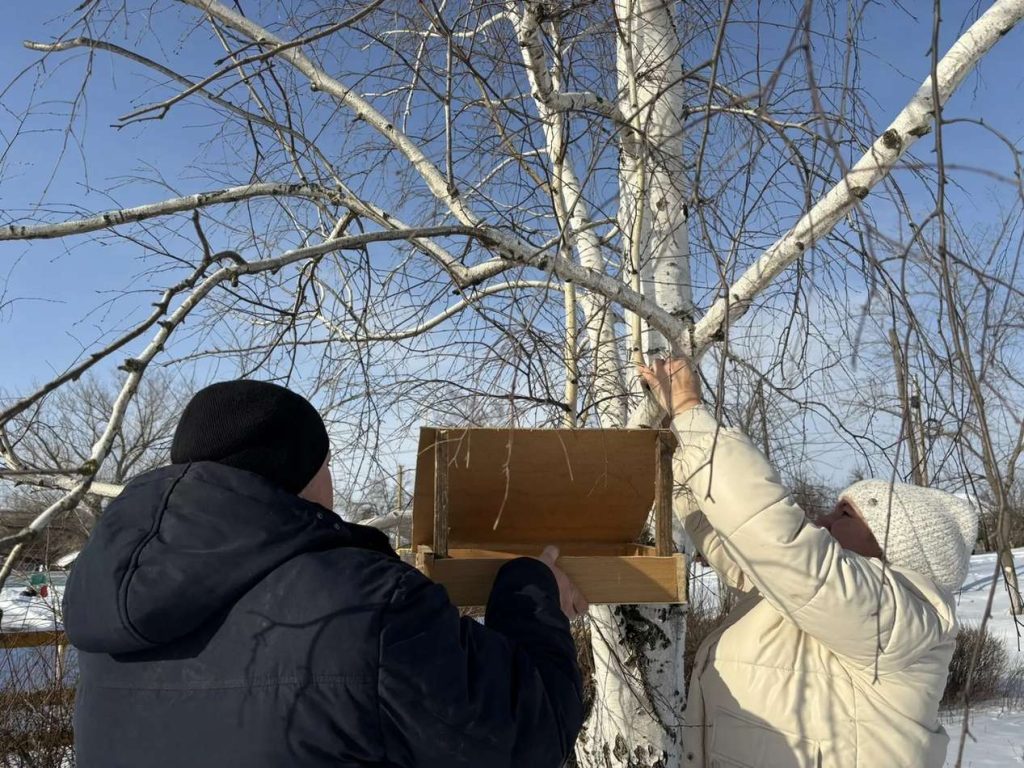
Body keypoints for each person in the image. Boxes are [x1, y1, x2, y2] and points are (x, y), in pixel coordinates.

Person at [63, 380, 587, 767]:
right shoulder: (366, 605)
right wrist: (534, 596)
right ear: (306, 472)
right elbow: (530, 735)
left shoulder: (112, 607)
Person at [638, 359, 977, 768]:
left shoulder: (901, 619)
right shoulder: (834, 607)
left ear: (896, 546)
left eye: (845, 516)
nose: (823, 521)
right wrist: (682, 467)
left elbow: (779, 546)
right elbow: (746, 552)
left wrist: (691, 411)